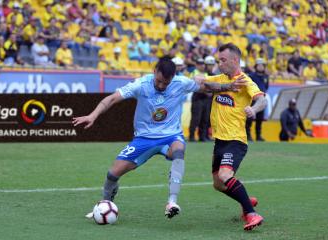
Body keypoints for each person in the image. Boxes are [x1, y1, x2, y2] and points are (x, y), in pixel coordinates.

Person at [73, 57, 246, 219]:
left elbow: (207, 87)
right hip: (144, 139)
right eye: (159, 81)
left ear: (173, 78)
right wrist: (92, 115)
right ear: (154, 71)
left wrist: (229, 86)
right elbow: (111, 99)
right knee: (112, 174)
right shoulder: (141, 84)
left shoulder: (180, 83)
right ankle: (105, 204)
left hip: (171, 136)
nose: (162, 85)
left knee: (179, 151)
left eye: (166, 82)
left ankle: (172, 202)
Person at [206, 43, 267, 231]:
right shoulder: (221, 78)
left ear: (235, 60)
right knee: (218, 183)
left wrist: (253, 109)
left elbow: (262, 100)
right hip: (220, 141)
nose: (220, 64)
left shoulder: (245, 81)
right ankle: (246, 200)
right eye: (219, 60)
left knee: (225, 175)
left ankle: (251, 213)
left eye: (223, 60)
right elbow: (204, 83)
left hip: (235, 140)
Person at [246, 58, 269, 141]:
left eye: (262, 65)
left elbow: (266, 86)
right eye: (259, 65)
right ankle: (248, 135)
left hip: (261, 99)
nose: (261, 67)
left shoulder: (266, 76)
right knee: (250, 118)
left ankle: (258, 136)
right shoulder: (251, 76)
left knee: (260, 119)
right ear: (255, 66)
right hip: (252, 99)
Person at [189, 58, 211, 142]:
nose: (202, 65)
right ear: (196, 65)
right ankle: (191, 136)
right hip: (197, 97)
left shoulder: (206, 73)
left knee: (205, 118)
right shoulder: (194, 73)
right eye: (200, 64)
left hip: (206, 98)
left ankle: (202, 136)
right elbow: (194, 85)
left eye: (203, 64)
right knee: (196, 118)